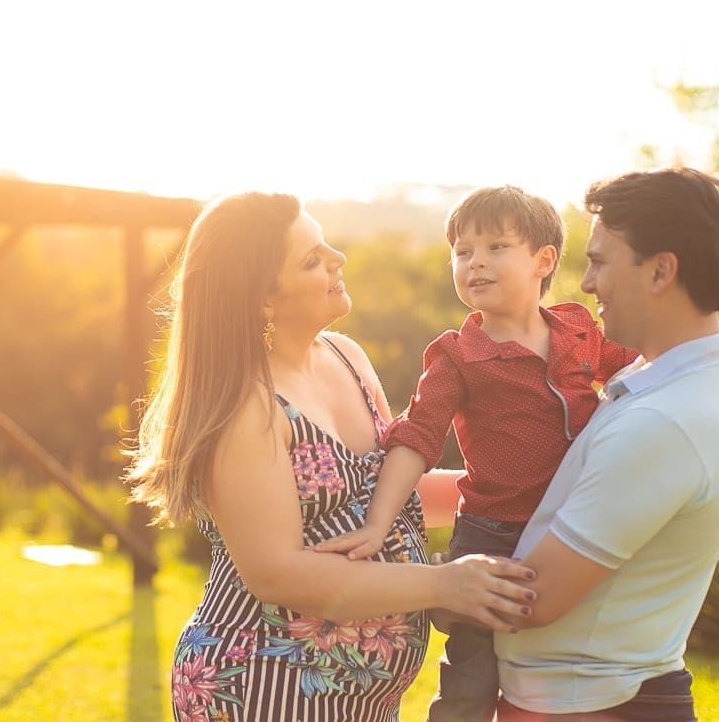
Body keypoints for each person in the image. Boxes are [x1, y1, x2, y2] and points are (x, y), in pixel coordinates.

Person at [125, 191, 536, 722]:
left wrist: (526, 490)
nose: (337, 260)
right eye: (311, 260)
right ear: (263, 299)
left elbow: (386, 493)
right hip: (262, 684)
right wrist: (445, 583)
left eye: (327, 247)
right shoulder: (246, 406)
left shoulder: (345, 355)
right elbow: (277, 574)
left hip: (359, 699)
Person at [315, 185, 637, 722]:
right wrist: (377, 524)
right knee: (471, 685)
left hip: (577, 525)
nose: (475, 263)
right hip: (494, 535)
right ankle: (455, 599)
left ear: (544, 260)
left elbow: (636, 368)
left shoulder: (580, 330)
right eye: (463, 252)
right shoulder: (458, 356)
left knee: (580, 670)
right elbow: (415, 438)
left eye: (495, 248)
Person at [494, 168, 719, 721]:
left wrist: (423, 580)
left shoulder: (666, 420)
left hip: (587, 707)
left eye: (600, 261)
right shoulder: (690, 369)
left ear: (661, 271)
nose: (586, 284)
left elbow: (533, 599)